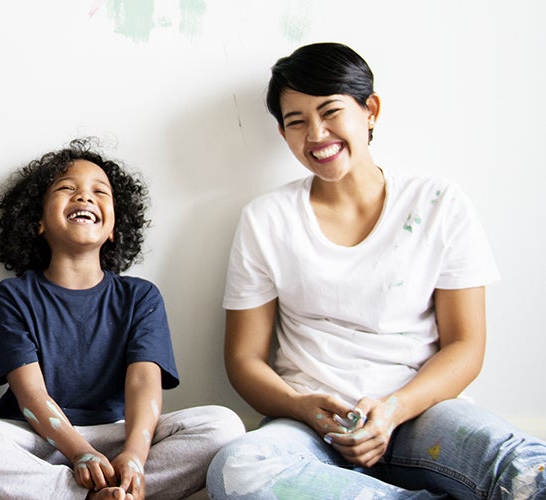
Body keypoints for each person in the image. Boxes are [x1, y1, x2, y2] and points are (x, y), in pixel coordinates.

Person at [208, 42, 546, 499]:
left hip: (422, 415)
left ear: (371, 111)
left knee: (526, 467)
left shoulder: (439, 203)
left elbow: (466, 345)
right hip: (310, 428)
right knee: (238, 469)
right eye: (297, 122)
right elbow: (244, 359)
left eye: (330, 112)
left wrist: (393, 409)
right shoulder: (266, 219)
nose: (316, 133)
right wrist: (301, 406)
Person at [0, 139, 244, 500]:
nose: (85, 197)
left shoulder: (141, 297)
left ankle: (123, 485)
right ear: (38, 223)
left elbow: (144, 384)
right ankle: (83, 495)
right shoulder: (12, 297)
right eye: (67, 189)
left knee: (223, 426)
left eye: (99, 191)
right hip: (37, 441)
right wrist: (79, 453)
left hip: (117, 438)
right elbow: (30, 393)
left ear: (113, 229)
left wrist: (136, 458)